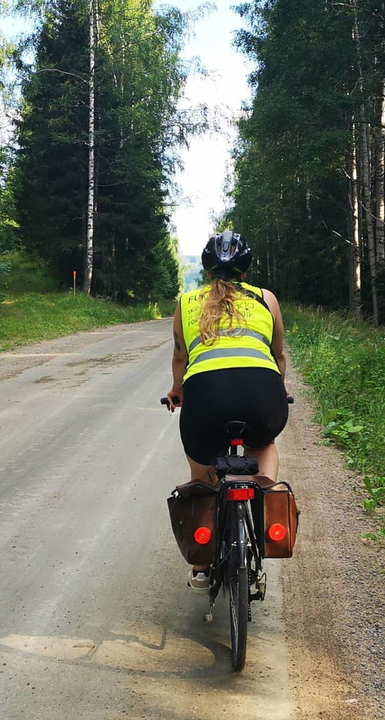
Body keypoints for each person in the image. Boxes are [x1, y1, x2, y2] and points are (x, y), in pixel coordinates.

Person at [165, 230, 288, 589]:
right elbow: (278, 355)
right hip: (261, 395)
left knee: (203, 472)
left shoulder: (187, 302)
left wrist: (177, 391)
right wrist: (275, 394)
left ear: (206, 271)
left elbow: (180, 356)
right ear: (245, 271)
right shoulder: (267, 299)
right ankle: (267, 494)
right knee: (263, 444)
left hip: (205, 398)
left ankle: (202, 567)